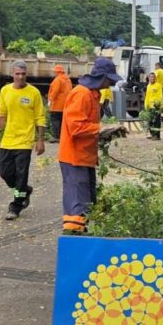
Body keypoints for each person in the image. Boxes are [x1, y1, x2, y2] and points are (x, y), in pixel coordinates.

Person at [59, 57, 123, 233]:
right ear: (102, 77)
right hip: (74, 158)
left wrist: (107, 133)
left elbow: (88, 128)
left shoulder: (93, 95)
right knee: (77, 205)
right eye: (110, 79)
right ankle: (73, 238)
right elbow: (76, 127)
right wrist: (102, 128)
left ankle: (81, 236)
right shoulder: (81, 94)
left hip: (85, 157)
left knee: (87, 202)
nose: (111, 83)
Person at [0, 61, 46, 220]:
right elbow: (2, 115)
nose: (20, 77)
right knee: (4, 172)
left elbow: (40, 117)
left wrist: (40, 140)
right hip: (8, 140)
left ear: (26, 74)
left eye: (23, 74)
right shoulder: (6, 91)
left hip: (25, 142)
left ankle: (16, 205)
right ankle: (25, 190)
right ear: (12, 74)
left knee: (21, 175)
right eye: (17, 74)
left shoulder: (33, 93)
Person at [47, 64, 71, 143]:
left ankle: (56, 137)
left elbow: (55, 91)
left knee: (55, 120)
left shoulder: (58, 80)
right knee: (62, 120)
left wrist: (50, 100)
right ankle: (62, 136)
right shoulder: (68, 80)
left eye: (55, 71)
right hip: (65, 104)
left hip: (57, 104)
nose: (54, 73)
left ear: (57, 72)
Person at [144, 72, 163, 140]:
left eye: (153, 77)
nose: (152, 78)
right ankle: (152, 134)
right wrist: (146, 105)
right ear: (148, 78)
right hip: (149, 107)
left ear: (155, 78)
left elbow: (160, 96)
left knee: (156, 122)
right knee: (151, 122)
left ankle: (157, 136)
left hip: (156, 106)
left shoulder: (158, 85)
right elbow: (147, 96)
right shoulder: (148, 86)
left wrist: (160, 106)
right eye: (150, 77)